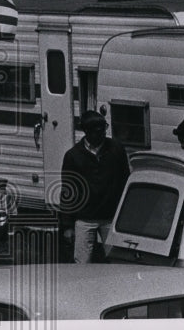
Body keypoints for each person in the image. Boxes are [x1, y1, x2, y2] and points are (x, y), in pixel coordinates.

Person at [59, 111, 130, 264]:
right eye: (98, 131)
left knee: (118, 262)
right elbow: (67, 191)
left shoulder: (116, 150)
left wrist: (126, 215)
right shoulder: (73, 156)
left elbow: (126, 181)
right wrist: (67, 226)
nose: (102, 134)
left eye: (104, 129)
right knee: (82, 263)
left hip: (111, 217)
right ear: (86, 131)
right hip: (85, 218)